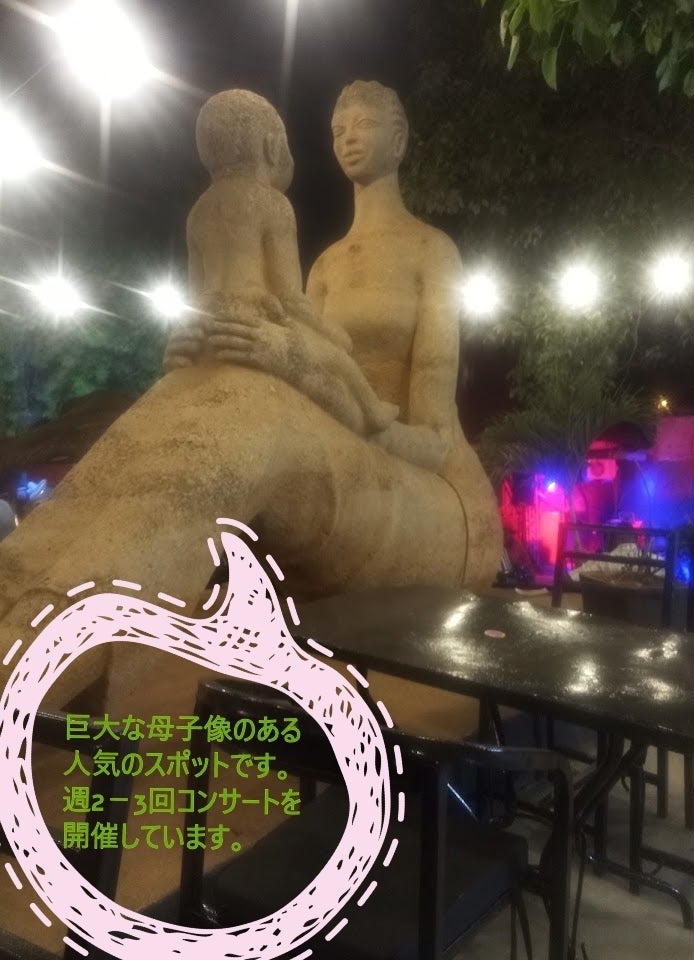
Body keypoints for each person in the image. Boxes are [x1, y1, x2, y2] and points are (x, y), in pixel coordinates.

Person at [0, 81, 501, 711]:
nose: (346, 137)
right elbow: (303, 358)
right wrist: (202, 348)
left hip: (437, 501)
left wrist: (329, 393)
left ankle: (39, 654)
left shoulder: (432, 253)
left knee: (259, 417)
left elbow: (430, 439)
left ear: (398, 139)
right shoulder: (325, 267)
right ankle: (22, 593)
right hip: (353, 457)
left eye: (364, 124)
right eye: (337, 127)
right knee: (201, 394)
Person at [170, 88, 397, 437]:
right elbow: (290, 297)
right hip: (254, 322)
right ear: (272, 147)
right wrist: (332, 334)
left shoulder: (198, 213)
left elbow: (194, 295)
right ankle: (373, 410)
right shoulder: (273, 205)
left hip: (208, 331)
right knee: (338, 359)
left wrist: (186, 339)